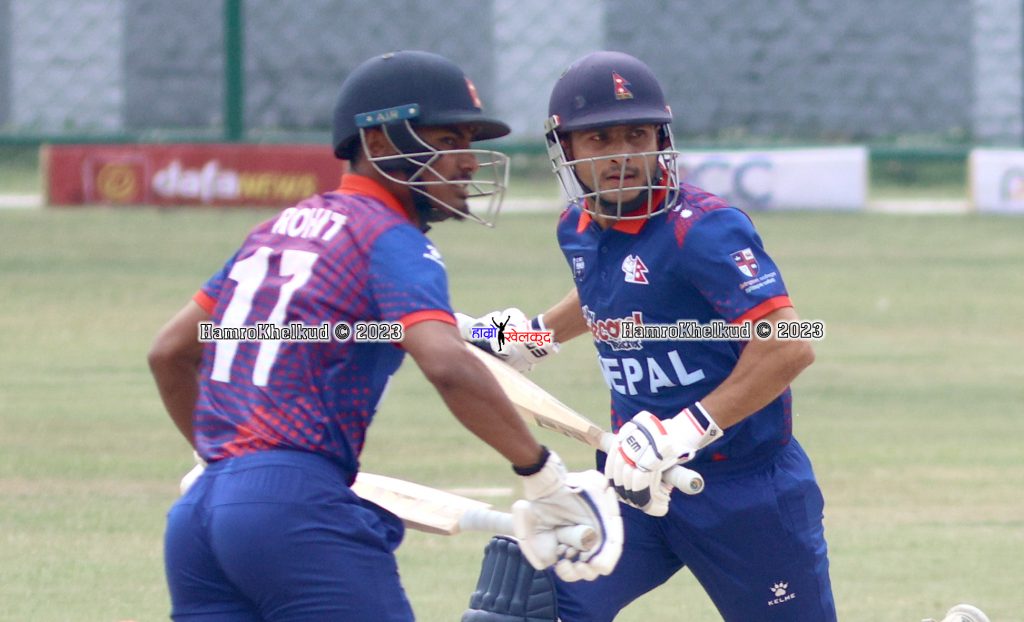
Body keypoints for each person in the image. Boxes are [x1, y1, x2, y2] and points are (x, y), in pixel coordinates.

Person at [147, 50, 622, 622]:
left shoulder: (275, 230)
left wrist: (220, 462)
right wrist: (542, 476)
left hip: (198, 515)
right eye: (448, 140)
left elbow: (170, 352)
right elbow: (446, 365)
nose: (468, 161)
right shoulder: (390, 238)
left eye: (469, 142)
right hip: (292, 506)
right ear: (378, 142)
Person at [459, 50, 835, 621]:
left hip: (742, 490)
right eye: (599, 139)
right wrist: (531, 336)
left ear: (661, 140)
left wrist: (682, 432)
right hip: (633, 483)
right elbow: (610, 293)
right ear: (566, 149)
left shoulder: (703, 229)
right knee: (519, 601)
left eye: (637, 135)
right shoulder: (577, 227)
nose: (622, 155)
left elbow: (789, 342)